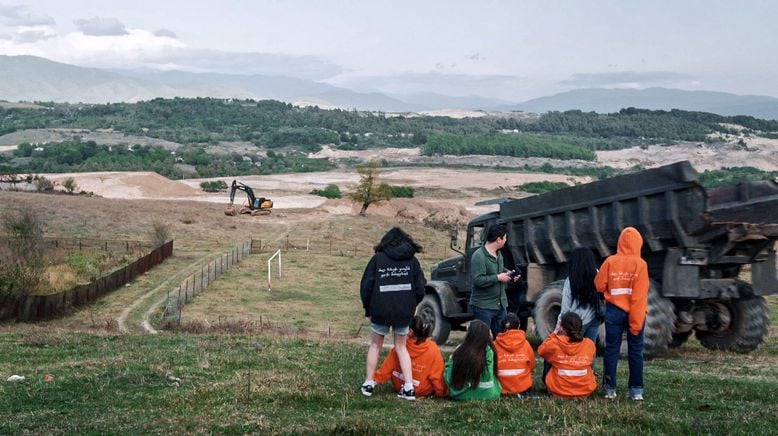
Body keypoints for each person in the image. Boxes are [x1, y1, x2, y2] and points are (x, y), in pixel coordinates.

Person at [360, 227, 426, 400]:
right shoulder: (413, 261)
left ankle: (368, 383)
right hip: (404, 311)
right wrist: (413, 305)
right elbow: (420, 288)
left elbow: (366, 286)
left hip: (380, 308)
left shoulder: (377, 259)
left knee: (375, 345)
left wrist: (368, 309)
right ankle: (409, 387)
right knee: (401, 347)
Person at [594, 226, 649, 401]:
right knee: (636, 351)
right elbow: (638, 298)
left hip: (613, 312)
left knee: (611, 350)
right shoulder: (640, 264)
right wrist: (635, 324)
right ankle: (636, 391)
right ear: (638, 243)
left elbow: (599, 286)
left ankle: (609, 389)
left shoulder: (610, 261)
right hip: (634, 313)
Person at [374, 315, 448, 398]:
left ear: (410, 331)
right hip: (422, 390)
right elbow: (437, 376)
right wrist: (442, 392)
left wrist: (374, 379)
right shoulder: (433, 349)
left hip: (399, 386)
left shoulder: (401, 347)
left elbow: (386, 368)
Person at [469, 223, 518, 338]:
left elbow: (499, 270)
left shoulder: (498, 253)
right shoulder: (479, 256)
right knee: (483, 340)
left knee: (502, 338)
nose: (506, 240)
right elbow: (477, 280)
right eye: (505, 238)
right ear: (498, 239)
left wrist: (508, 274)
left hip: (500, 305)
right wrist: (498, 277)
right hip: (483, 307)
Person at [538, 312, 597, 398]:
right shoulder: (589, 344)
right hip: (585, 391)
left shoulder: (554, 343)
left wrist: (555, 332)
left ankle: (550, 387)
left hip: (558, 391)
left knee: (548, 354)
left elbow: (541, 351)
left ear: (561, 327)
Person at [444, 320, 502, 401]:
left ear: (469, 334)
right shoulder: (490, 351)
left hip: (462, 395)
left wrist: (450, 361)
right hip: (490, 394)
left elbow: (448, 377)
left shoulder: (461, 351)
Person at [556, 246, 602, 343]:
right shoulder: (598, 275)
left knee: (573, 350)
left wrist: (559, 326)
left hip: (574, 323)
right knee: (589, 349)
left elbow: (565, 307)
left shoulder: (571, 280)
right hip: (593, 319)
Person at [493, 313, 535, 398]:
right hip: (523, 388)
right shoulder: (526, 344)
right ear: (519, 326)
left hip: (501, 388)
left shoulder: (495, 345)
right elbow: (531, 366)